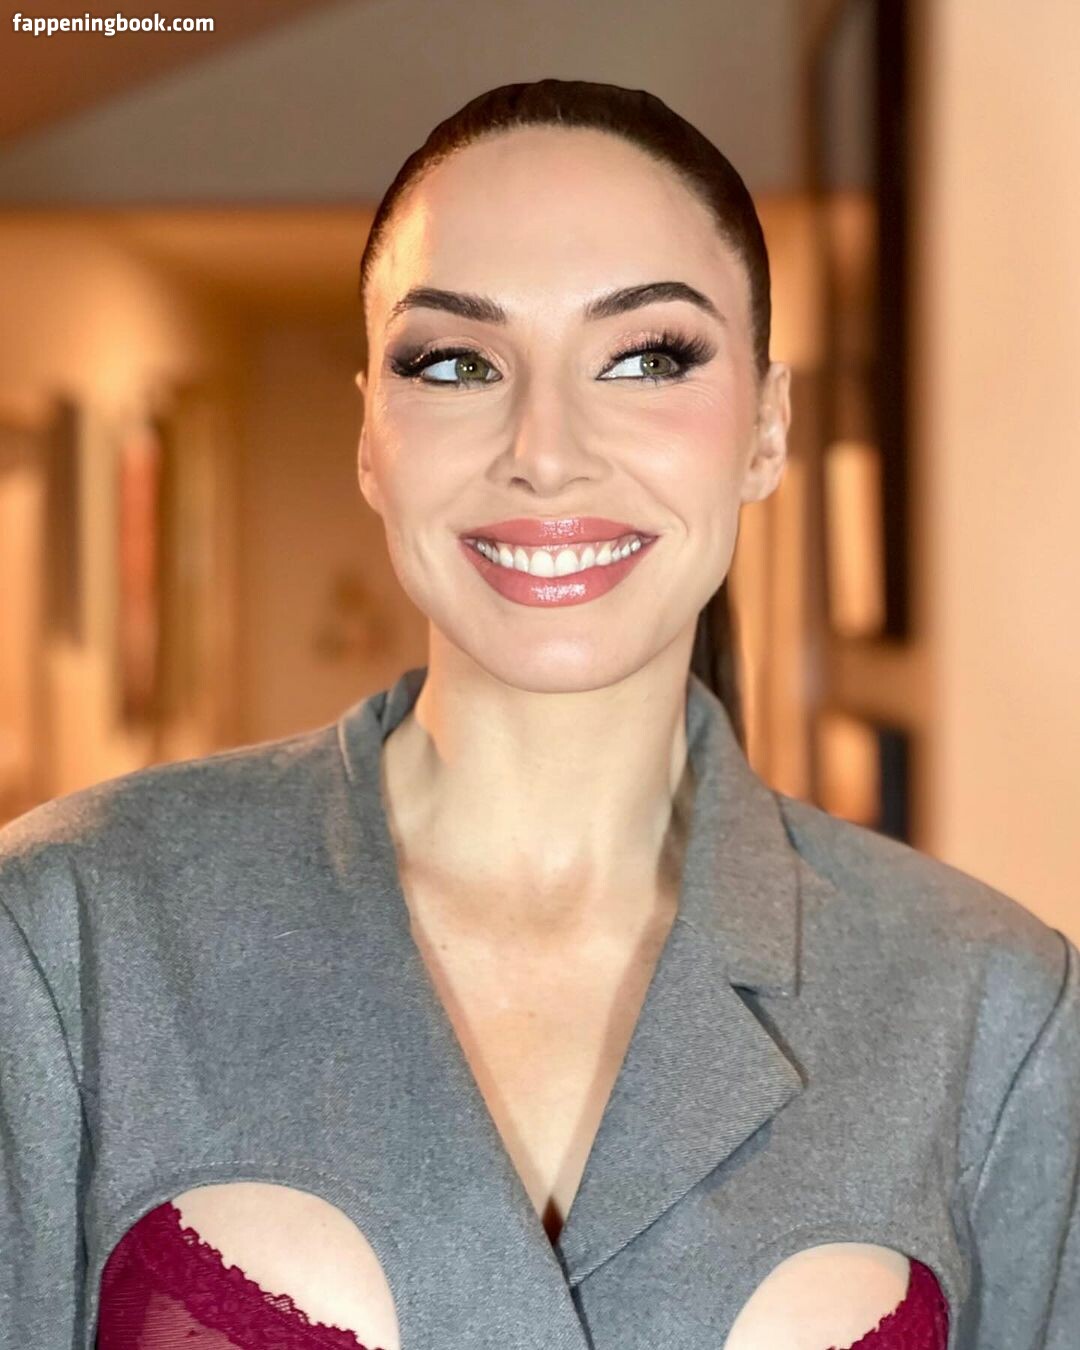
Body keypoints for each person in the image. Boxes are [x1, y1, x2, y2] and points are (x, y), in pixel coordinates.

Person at [1, 79, 1077, 1350]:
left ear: (767, 430)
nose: (547, 451)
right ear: (372, 438)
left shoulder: (992, 1008)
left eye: (648, 358)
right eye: (456, 363)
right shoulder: (72, 933)